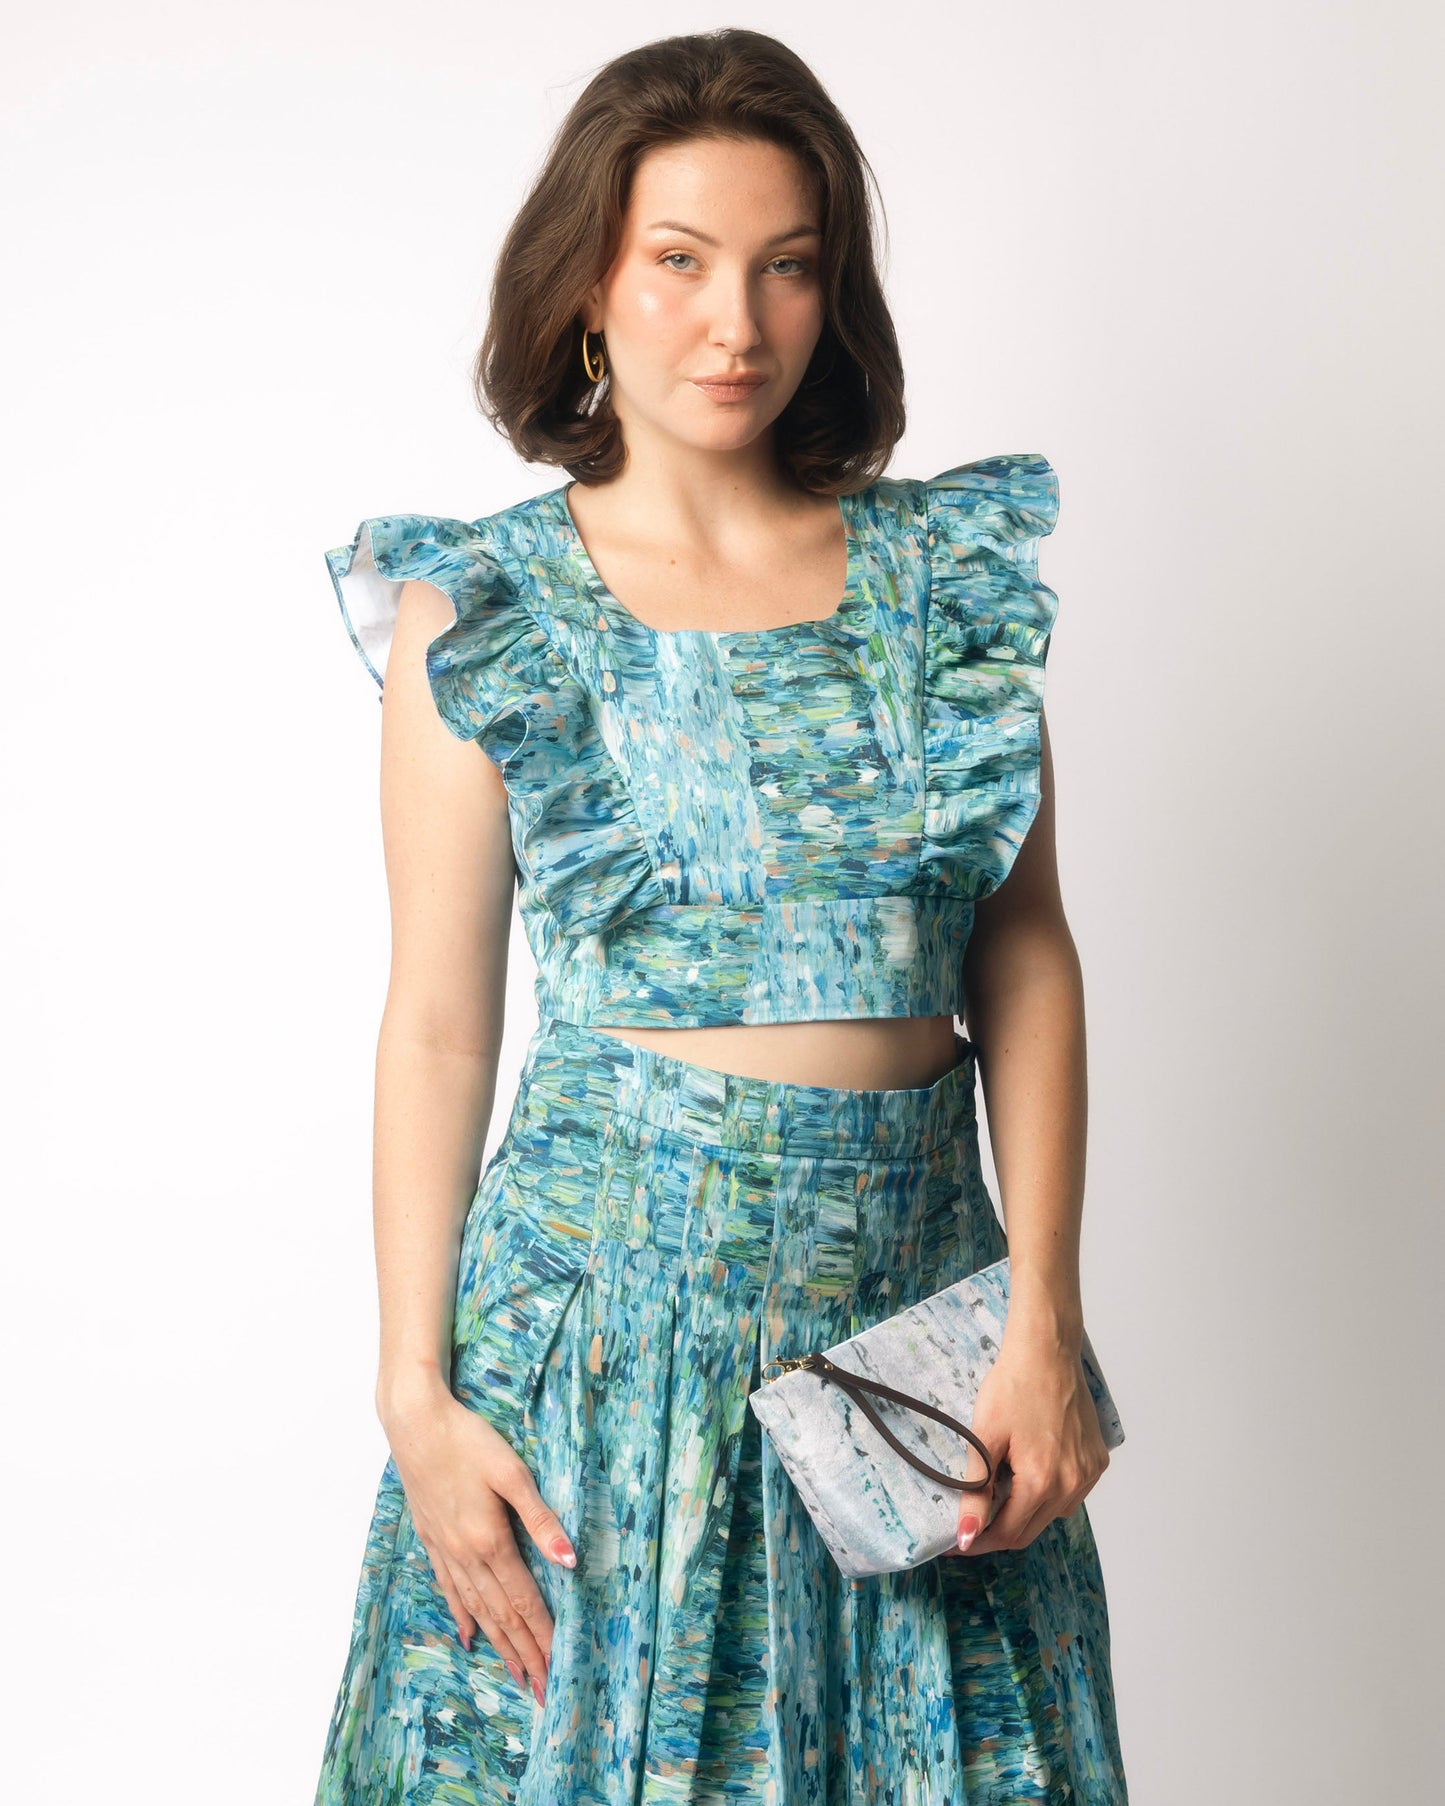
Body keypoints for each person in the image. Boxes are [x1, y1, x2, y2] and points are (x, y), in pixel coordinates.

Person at [313, 26, 1128, 1806]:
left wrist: (1042, 1316)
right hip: (598, 1346)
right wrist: (413, 1394)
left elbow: (1024, 955)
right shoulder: (487, 606)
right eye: (677, 261)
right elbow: (437, 1023)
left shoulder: (942, 582)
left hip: (913, 1338)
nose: (735, 324)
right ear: (586, 290)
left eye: (786, 266)